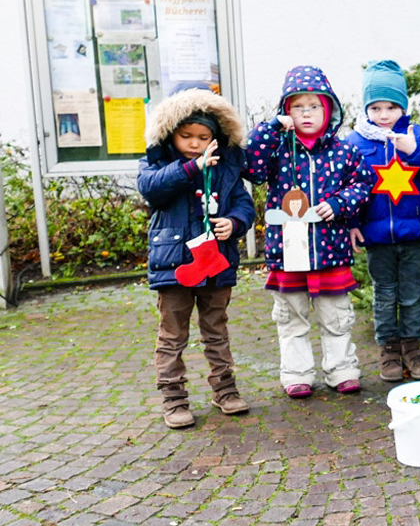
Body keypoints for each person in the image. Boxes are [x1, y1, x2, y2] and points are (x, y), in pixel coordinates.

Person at [244, 65, 373, 398]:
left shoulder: (344, 150)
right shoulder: (277, 149)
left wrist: (341, 203)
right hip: (288, 253)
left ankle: (342, 370)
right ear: (286, 110)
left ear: (328, 110)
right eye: (298, 106)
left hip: (331, 251)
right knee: (291, 318)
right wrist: (272, 128)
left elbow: (364, 183)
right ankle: (297, 374)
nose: (306, 113)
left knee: (336, 317)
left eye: (314, 106)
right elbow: (251, 167)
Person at [138, 87, 256, 428]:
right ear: (171, 133)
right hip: (173, 265)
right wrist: (192, 168)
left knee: (216, 330)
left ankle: (225, 389)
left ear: (214, 138)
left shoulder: (225, 167)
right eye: (186, 136)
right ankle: (173, 398)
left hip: (216, 263)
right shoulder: (157, 162)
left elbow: (244, 204)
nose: (194, 143)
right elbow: (151, 189)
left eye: (203, 138)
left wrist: (234, 223)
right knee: (172, 335)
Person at [347, 60, 420, 382]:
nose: (384, 114)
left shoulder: (416, 135)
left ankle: (412, 350)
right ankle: (389, 350)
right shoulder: (355, 142)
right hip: (377, 237)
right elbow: (348, 186)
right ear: (366, 108)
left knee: (412, 296)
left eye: (391, 107)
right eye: (376, 107)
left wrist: (414, 150)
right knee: (385, 294)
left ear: (402, 106)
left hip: (415, 233)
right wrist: (352, 223)